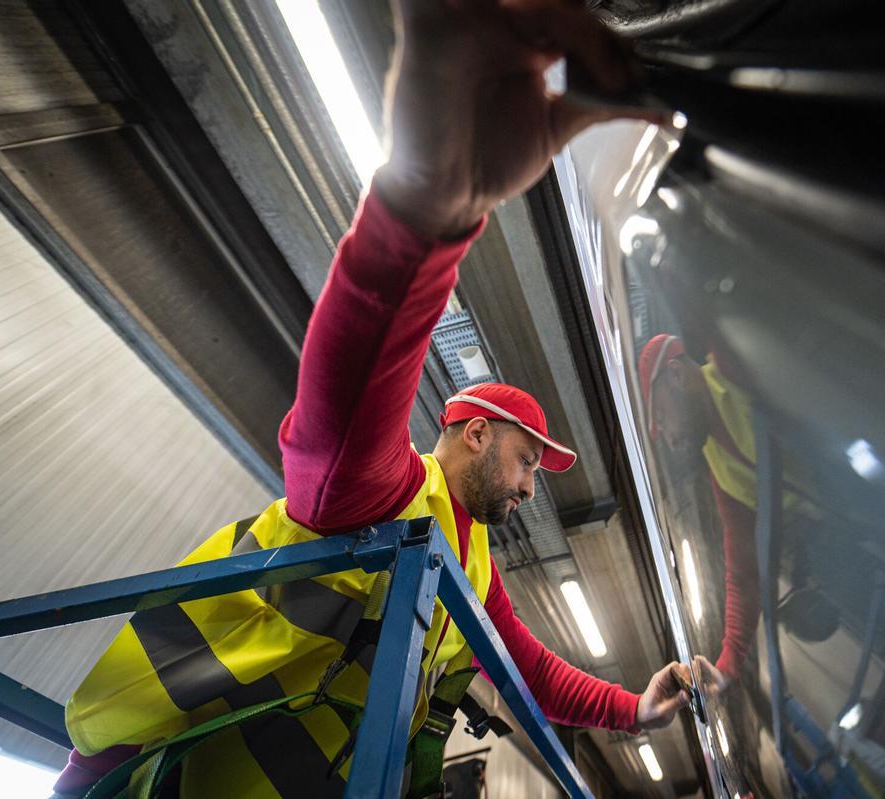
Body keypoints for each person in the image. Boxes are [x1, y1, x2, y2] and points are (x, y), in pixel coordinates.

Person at [52, 1, 689, 795]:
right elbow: (349, 382)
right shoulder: (377, 489)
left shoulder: (472, 561)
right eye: (528, 461)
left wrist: (636, 708)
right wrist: (429, 210)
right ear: (477, 432)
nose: (531, 487)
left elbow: (533, 671)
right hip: (160, 776)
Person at [639, 334, 839, 696]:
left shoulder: (735, 364)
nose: (669, 439)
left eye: (662, 418)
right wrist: (727, 665)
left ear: (676, 376)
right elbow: (744, 572)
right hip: (858, 524)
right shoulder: (722, 471)